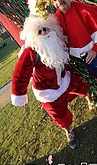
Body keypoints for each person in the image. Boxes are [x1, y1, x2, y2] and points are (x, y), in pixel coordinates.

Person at [11, 13, 91, 150]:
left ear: (51, 28)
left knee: (82, 84)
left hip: (65, 78)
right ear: (34, 36)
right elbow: (20, 74)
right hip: (48, 91)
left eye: (45, 29)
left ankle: (90, 98)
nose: (44, 33)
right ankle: (68, 131)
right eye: (39, 31)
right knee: (59, 114)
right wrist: (20, 95)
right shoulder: (31, 51)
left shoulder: (59, 40)